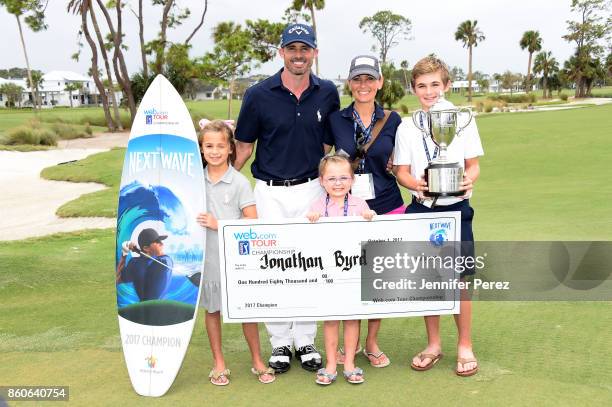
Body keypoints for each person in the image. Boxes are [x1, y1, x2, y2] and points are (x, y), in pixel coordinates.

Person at [233, 23, 340, 374]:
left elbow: (327, 145)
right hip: (270, 192)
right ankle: (280, 343)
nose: (298, 54)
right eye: (292, 48)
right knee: (273, 268)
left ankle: (305, 340)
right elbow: (245, 146)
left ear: (314, 53)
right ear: (281, 52)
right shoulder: (258, 94)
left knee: (309, 266)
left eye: (304, 48)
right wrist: (222, 186)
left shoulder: (327, 92)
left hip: (312, 189)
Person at [393, 55, 484, 377]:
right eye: (422, 86)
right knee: (428, 281)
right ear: (414, 89)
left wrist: (470, 178)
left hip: (457, 208)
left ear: (446, 85)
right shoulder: (408, 126)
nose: (429, 91)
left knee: (459, 281)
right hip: (421, 209)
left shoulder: (463, 120)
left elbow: (473, 164)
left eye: (435, 84)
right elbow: (401, 171)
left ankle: (465, 345)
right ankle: (434, 344)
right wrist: (413, 183)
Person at [325, 55, 404, 368]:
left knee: (377, 277)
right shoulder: (336, 119)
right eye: (357, 79)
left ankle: (370, 341)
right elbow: (325, 160)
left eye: (370, 79)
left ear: (380, 82)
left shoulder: (394, 119)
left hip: (386, 204)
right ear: (349, 83)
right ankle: (350, 343)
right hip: (345, 208)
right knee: (346, 275)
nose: (363, 85)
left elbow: (400, 161)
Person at [197, 119, 275, 385]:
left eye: (220, 145)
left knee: (246, 311)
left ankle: (257, 360)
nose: (215, 151)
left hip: (237, 261)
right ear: (202, 148)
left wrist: (219, 225)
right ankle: (219, 362)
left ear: (231, 148)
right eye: (209, 146)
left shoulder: (240, 182)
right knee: (212, 311)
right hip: (207, 259)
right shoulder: (194, 181)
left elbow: (251, 220)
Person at [306, 154, 375, 385]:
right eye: (332, 178)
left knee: (353, 318)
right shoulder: (316, 207)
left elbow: (372, 233)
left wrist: (370, 218)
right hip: (328, 275)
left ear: (353, 180)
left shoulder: (360, 205)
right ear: (321, 181)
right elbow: (306, 239)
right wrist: (311, 220)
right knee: (331, 319)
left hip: (354, 273)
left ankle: (349, 364)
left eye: (344, 178)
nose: (338, 183)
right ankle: (331, 364)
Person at [116, 228, 173, 301]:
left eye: (160, 241)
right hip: (158, 309)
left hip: (143, 308)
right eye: (157, 242)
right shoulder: (164, 261)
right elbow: (118, 279)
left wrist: (124, 252)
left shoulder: (134, 263)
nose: (162, 243)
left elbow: (119, 278)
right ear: (146, 248)